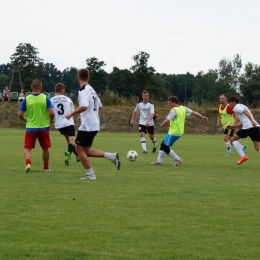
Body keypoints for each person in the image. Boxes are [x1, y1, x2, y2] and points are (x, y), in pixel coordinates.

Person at [65, 68, 120, 180]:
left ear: (78, 77)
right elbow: (99, 106)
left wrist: (72, 114)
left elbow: (84, 106)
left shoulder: (83, 90)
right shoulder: (91, 89)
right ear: (88, 77)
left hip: (87, 126)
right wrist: (85, 114)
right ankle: (111, 156)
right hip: (94, 124)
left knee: (78, 150)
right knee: (86, 151)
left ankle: (91, 175)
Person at [150, 96, 208, 166]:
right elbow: (193, 112)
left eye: (169, 103)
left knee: (165, 147)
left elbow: (167, 120)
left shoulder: (174, 110)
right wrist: (202, 116)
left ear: (174, 102)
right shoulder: (183, 108)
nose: (168, 104)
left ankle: (177, 159)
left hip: (173, 133)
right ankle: (159, 161)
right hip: (177, 132)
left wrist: (162, 125)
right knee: (163, 145)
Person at [18, 79, 55, 173]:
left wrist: (25, 120)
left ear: (31, 87)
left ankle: (28, 163)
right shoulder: (45, 98)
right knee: (45, 148)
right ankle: (46, 167)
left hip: (31, 127)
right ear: (41, 87)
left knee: (27, 148)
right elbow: (52, 112)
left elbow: (19, 114)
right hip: (44, 127)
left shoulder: (27, 99)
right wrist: (51, 120)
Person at [50, 83, 80, 166]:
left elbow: (50, 112)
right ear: (62, 90)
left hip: (58, 125)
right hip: (68, 122)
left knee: (68, 140)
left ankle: (77, 156)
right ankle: (69, 153)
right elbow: (72, 112)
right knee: (72, 141)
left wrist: (51, 120)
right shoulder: (68, 99)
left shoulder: (51, 100)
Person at [227, 95, 260, 165]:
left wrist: (252, 121)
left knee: (232, 140)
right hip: (255, 127)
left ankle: (243, 155)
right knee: (257, 148)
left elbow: (245, 112)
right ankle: (242, 151)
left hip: (248, 127)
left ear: (233, 102)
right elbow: (243, 122)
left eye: (230, 103)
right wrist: (233, 126)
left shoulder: (236, 107)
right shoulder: (242, 106)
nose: (229, 105)